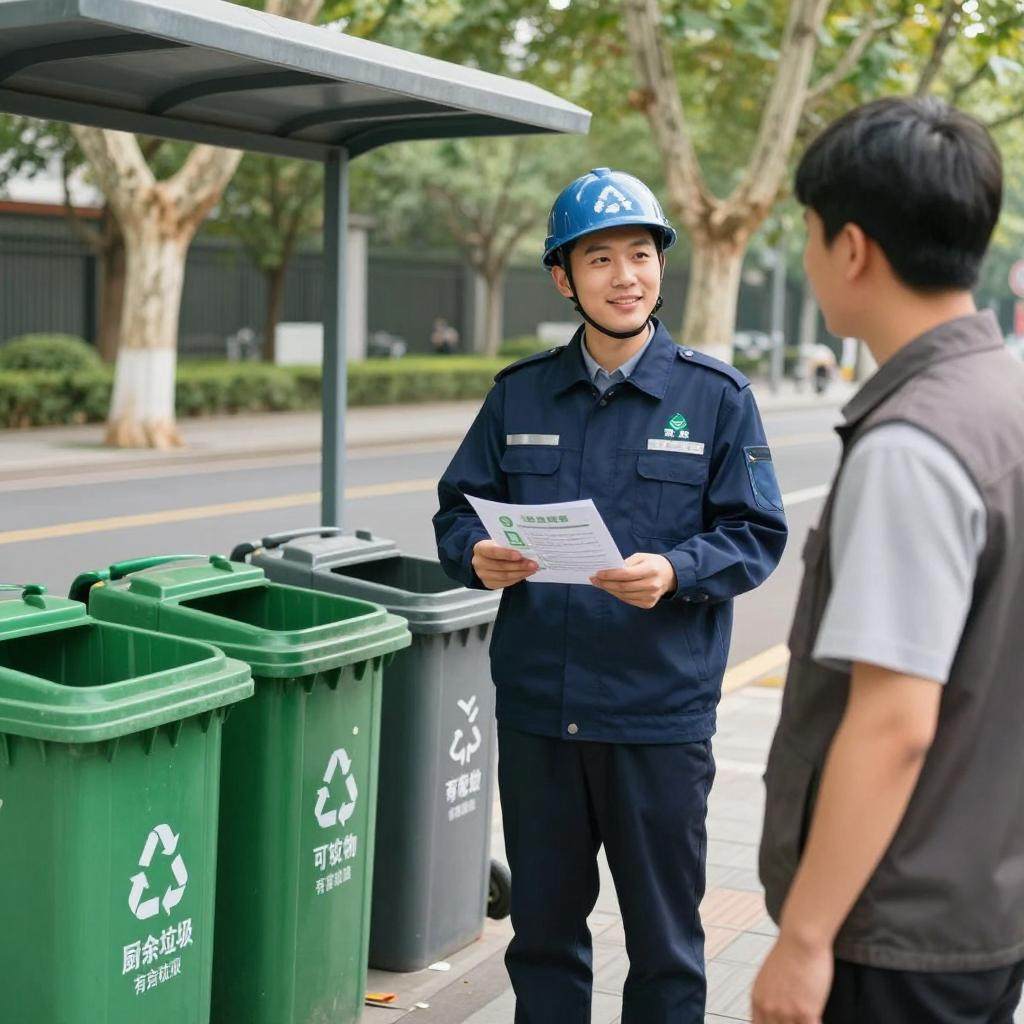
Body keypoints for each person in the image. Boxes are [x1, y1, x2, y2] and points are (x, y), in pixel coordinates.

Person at [433, 167, 788, 1023]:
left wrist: (677, 571)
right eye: (599, 259)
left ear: (661, 266)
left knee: (665, 946)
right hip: (540, 716)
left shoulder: (716, 398)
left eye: (640, 254)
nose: (625, 276)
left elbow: (756, 533)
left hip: (656, 717)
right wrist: (475, 554)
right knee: (544, 939)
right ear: (564, 278)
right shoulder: (519, 394)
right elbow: (456, 511)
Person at [752, 97, 1024, 1024]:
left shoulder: (914, 443)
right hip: (983, 905)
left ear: (853, 248)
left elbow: (894, 722)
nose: (809, 255)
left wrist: (804, 940)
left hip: (893, 934)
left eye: (810, 233)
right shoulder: (1004, 400)